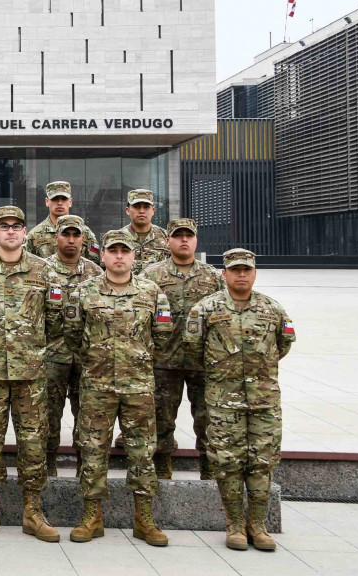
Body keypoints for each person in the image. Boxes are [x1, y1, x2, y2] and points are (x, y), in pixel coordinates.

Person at [0, 206, 63, 543]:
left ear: (25, 232)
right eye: (3, 226)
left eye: (16, 226)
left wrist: (37, 351)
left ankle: (33, 511)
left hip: (30, 374)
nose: (10, 232)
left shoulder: (45, 272)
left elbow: (60, 321)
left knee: (33, 444)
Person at [66, 229, 172, 547]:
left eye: (125, 251)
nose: (119, 256)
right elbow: (72, 334)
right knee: (93, 451)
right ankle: (91, 517)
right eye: (113, 251)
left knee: (141, 452)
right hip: (97, 385)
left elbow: (163, 336)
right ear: (103, 256)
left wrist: (137, 359)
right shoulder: (84, 292)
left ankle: (144, 519)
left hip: (138, 386)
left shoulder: (152, 293)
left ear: (133, 256)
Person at [184, 249, 295, 552]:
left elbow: (283, 345)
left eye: (247, 269)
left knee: (262, 462)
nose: (241, 274)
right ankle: (234, 524)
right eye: (235, 270)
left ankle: (258, 525)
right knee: (227, 462)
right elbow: (194, 348)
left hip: (264, 401)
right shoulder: (205, 309)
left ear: (255, 273)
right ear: (225, 274)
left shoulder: (273, 309)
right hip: (223, 402)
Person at [142, 218, 223, 479]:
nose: (184, 240)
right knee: (161, 421)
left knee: (208, 420)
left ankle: (209, 474)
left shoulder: (213, 277)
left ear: (196, 240)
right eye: (178, 236)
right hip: (164, 361)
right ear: (168, 241)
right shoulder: (151, 275)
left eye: (189, 235)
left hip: (203, 362)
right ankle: (162, 472)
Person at [42, 215, 102, 477]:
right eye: (65, 234)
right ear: (56, 238)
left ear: (83, 239)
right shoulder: (41, 270)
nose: (70, 240)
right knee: (48, 413)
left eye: (75, 235)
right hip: (52, 355)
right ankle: (49, 463)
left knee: (87, 414)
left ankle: (82, 466)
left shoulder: (96, 273)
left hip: (86, 357)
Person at [26, 182, 101, 264]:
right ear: (47, 201)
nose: (59, 203)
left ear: (70, 202)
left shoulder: (85, 232)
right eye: (55, 199)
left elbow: (95, 264)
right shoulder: (34, 234)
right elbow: (28, 264)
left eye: (64, 199)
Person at [120, 189, 170, 275]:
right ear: (127, 210)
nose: (141, 211)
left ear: (153, 210)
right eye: (136, 207)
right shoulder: (117, 238)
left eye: (146, 207)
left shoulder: (166, 237)